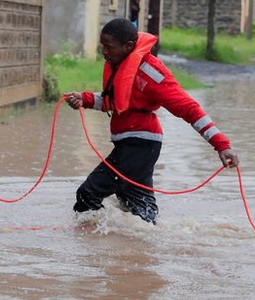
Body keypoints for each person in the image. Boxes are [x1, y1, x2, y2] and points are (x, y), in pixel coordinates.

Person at [64, 18, 241, 224]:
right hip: (134, 145)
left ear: (128, 46)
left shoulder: (152, 73)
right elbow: (116, 101)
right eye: (103, 46)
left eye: (109, 47)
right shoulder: (120, 64)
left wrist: (221, 145)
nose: (104, 52)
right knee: (135, 206)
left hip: (139, 145)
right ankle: (147, 243)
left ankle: (91, 245)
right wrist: (84, 99)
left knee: (87, 194)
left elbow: (189, 109)